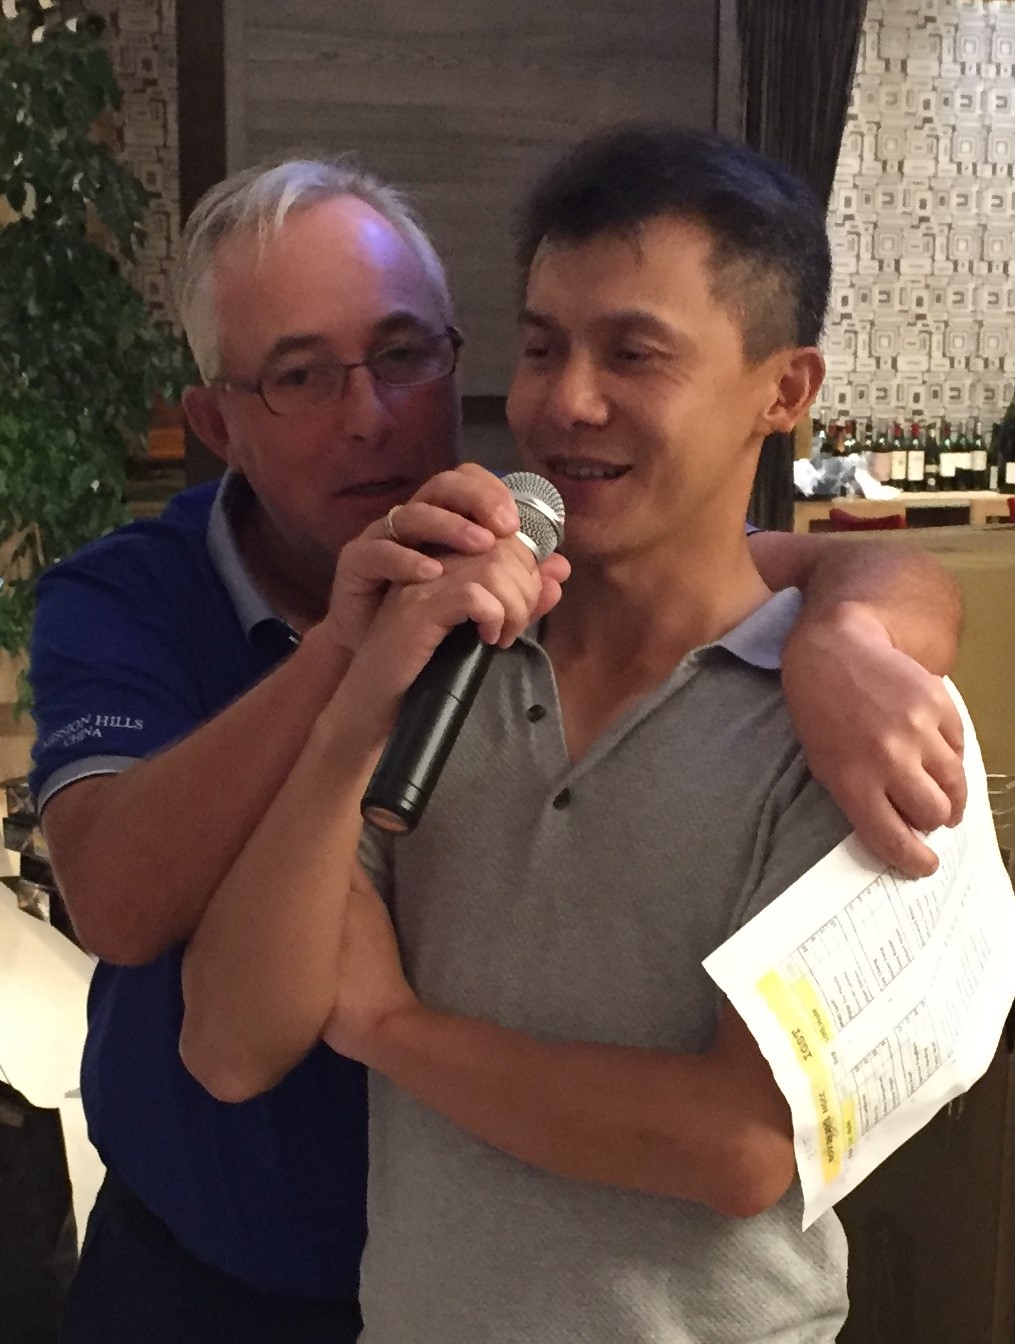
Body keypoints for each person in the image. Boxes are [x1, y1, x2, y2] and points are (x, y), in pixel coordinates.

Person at [31, 149, 963, 1343]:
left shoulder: (793, 693)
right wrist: (349, 665)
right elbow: (154, 949)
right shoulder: (193, 610)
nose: (370, 416)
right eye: (301, 377)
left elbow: (739, 1143)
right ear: (217, 422)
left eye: (404, 354)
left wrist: (851, 628)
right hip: (221, 1270)